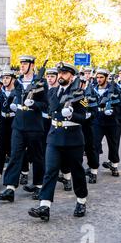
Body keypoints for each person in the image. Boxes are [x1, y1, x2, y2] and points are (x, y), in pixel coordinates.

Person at [28, 62, 88, 221]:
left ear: (72, 76)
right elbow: (49, 107)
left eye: (65, 73)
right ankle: (45, 206)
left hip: (73, 139)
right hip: (54, 137)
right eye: (60, 73)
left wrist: (71, 115)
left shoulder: (80, 94)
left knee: (77, 172)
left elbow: (86, 117)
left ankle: (81, 201)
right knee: (50, 171)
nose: (61, 76)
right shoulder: (52, 91)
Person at [0, 55, 48, 202]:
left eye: (25, 64)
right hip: (18, 125)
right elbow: (16, 97)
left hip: (34, 125)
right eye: (21, 64)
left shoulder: (41, 82)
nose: (22, 66)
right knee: (15, 156)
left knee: (37, 157)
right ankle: (10, 188)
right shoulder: (17, 82)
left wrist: (34, 104)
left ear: (32, 65)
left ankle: (38, 185)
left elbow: (45, 104)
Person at [91, 68, 121, 180]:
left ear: (106, 78)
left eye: (101, 77)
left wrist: (113, 111)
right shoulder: (92, 88)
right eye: (97, 77)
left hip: (111, 122)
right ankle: (93, 170)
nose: (98, 80)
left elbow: (119, 105)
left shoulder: (114, 89)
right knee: (94, 145)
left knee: (113, 144)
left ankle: (114, 165)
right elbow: (86, 102)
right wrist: (88, 112)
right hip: (97, 121)